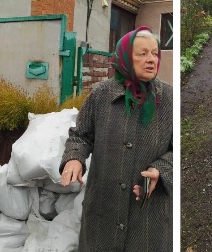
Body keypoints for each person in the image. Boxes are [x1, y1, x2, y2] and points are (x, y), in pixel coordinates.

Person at [60, 26, 173, 251]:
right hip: (103, 207)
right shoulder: (101, 94)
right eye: (142, 54)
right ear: (124, 57)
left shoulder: (169, 99)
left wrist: (161, 168)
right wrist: (74, 158)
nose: (151, 60)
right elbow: (81, 135)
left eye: (154, 53)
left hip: (148, 213)